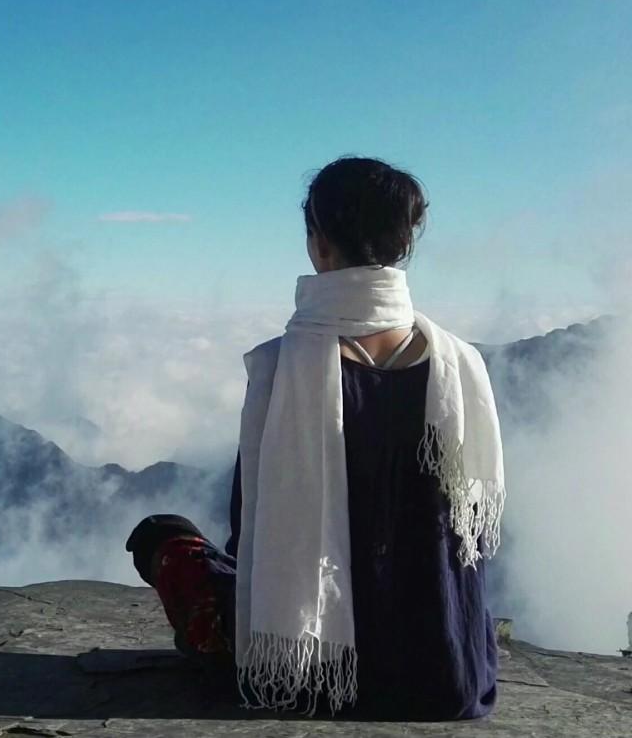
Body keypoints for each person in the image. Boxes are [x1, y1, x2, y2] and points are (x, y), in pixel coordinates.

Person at [126, 156, 504, 720]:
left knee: (164, 540)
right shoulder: (462, 368)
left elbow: (252, 529)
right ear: (403, 244)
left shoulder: (284, 367)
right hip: (444, 671)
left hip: (309, 675)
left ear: (319, 242)